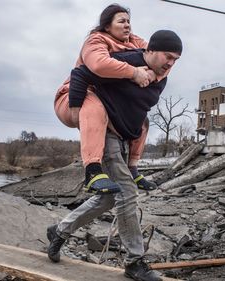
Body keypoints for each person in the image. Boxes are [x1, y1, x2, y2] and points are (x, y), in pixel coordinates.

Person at [48, 30, 183, 281]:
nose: (171, 63)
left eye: (176, 59)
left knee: (109, 199)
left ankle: (60, 230)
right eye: (168, 56)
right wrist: (78, 110)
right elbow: (81, 73)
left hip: (123, 138)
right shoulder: (129, 61)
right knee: (127, 193)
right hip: (105, 133)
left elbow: (138, 108)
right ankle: (135, 261)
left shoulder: (161, 76)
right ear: (150, 50)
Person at [54, 4, 158, 195]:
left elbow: (157, 57)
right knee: (94, 105)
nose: (127, 25)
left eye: (129, 21)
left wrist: (152, 72)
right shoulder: (96, 40)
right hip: (74, 97)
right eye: (121, 21)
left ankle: (133, 169)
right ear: (107, 26)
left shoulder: (135, 42)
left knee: (142, 121)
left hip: (108, 103)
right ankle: (92, 172)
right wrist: (134, 72)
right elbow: (98, 65)